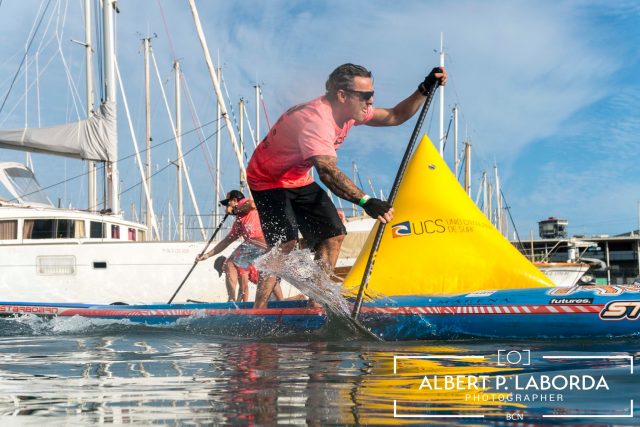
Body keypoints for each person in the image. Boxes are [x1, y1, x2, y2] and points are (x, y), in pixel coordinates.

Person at [247, 64, 447, 308]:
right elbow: (328, 173)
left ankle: (316, 303)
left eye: (372, 94)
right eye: (365, 96)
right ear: (342, 96)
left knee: (334, 235)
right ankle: (258, 312)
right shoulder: (317, 121)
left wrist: (424, 88)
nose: (371, 101)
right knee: (284, 244)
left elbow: (395, 115)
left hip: (298, 178)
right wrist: (366, 201)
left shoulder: (350, 113)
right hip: (266, 179)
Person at [196, 190, 283, 302]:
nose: (226, 207)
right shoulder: (239, 221)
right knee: (267, 273)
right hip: (267, 246)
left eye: (228, 203)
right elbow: (226, 241)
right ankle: (282, 303)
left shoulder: (244, 203)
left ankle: (231, 301)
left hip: (258, 242)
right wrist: (207, 255)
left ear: (235, 200)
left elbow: (252, 204)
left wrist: (234, 210)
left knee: (230, 263)